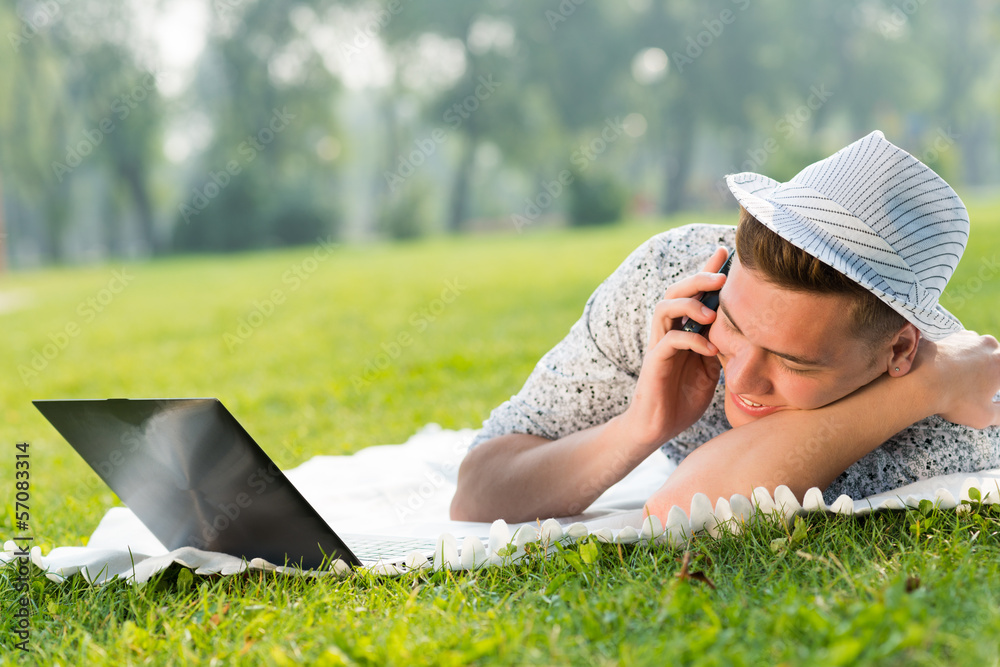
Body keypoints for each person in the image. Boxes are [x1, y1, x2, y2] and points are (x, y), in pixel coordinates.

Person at [450, 130, 1000, 524]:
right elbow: (477, 494)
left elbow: (684, 508)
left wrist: (933, 384)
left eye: (794, 362)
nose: (744, 380)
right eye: (734, 328)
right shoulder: (674, 285)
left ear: (900, 351)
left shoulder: (953, 421)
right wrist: (640, 425)